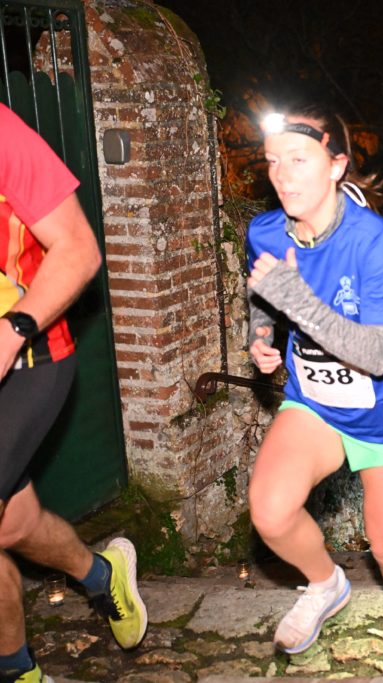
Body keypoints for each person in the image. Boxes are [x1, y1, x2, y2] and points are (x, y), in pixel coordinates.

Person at [245, 104, 383, 679]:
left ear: (336, 165)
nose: (282, 175)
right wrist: (260, 337)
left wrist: (296, 302)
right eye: (273, 161)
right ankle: (325, 584)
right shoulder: (264, 231)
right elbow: (261, 292)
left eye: (298, 160)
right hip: (315, 401)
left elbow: (377, 355)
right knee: (270, 511)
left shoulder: (374, 241)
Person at [0, 103, 147, 683]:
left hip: (28, 354)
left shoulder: (2, 132)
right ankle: (100, 575)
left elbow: (80, 249)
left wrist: (11, 330)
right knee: (12, 526)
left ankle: (18, 672)